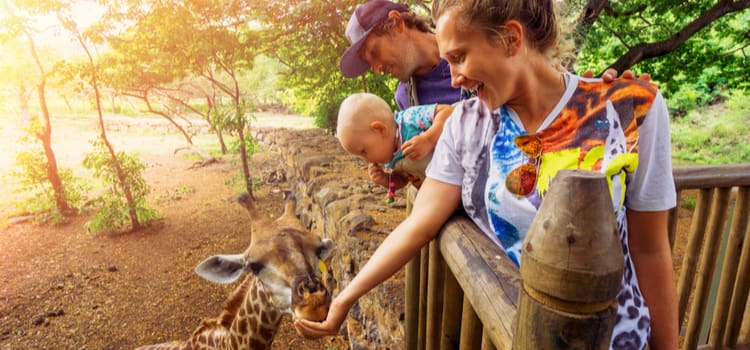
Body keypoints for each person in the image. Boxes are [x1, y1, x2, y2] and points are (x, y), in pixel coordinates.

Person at [299, 0, 678, 349]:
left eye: (460, 57)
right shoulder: (465, 125)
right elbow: (418, 225)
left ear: (511, 39)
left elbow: (651, 250)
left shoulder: (631, 107)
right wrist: (347, 298)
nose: (452, 79)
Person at [339, 0, 646, 110]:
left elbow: (548, 92)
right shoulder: (406, 100)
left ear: (396, 23)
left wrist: (591, 100)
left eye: (374, 53)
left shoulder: (479, 38)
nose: (376, 68)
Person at [337, 92, 454, 201]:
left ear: (380, 130)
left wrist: (428, 139)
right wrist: (386, 179)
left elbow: (448, 112)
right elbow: (402, 181)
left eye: (364, 151)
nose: (366, 160)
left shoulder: (409, 119)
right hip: (441, 193)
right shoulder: (390, 159)